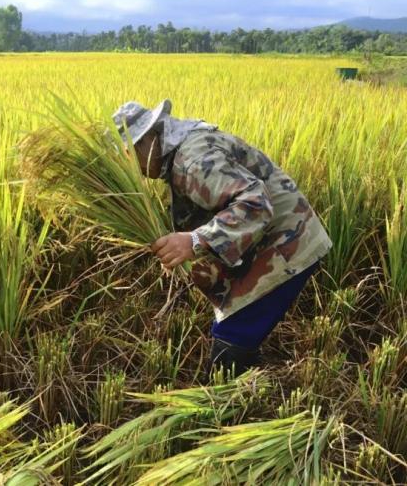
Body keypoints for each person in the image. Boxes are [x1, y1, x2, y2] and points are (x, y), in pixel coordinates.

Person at [112, 99, 332, 375]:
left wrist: (194, 241)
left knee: (231, 342)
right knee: (234, 326)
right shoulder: (181, 152)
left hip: (288, 243)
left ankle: (230, 409)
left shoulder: (192, 160)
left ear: (148, 141)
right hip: (270, 239)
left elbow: (254, 203)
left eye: (130, 153)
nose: (131, 165)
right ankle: (252, 385)